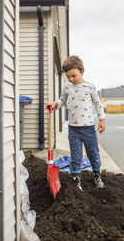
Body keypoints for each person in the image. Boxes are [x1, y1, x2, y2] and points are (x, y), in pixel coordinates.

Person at [47, 55, 106, 191]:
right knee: (76, 156)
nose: (71, 79)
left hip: (89, 129)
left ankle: (97, 176)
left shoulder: (90, 87)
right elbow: (62, 101)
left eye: (74, 76)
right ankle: (76, 181)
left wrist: (102, 120)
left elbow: (98, 105)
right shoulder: (67, 87)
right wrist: (56, 103)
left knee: (93, 154)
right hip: (73, 130)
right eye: (68, 76)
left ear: (82, 71)